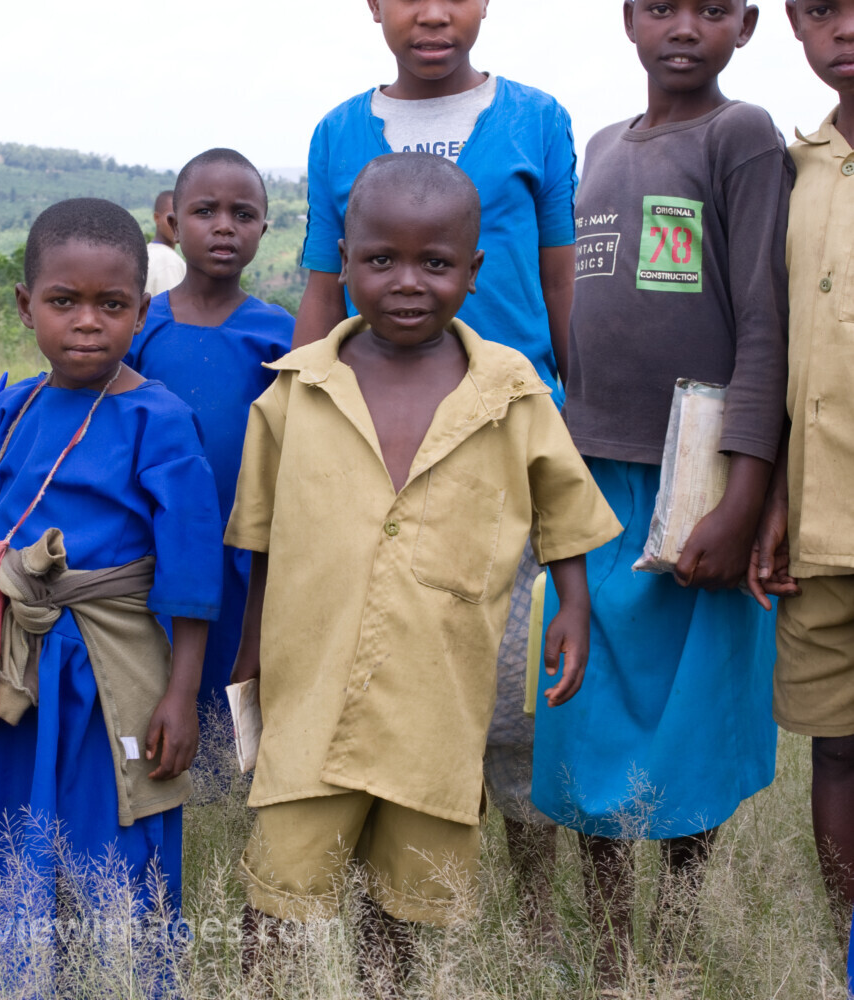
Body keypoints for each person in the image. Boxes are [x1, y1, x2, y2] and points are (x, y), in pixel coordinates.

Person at [228, 154, 619, 993]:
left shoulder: (512, 393)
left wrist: (574, 604)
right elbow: (260, 543)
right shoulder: (294, 394)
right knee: (283, 889)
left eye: (435, 264)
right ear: (343, 259)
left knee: (407, 906)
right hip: (312, 692)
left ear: (473, 273)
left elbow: (564, 508)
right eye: (381, 261)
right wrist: (249, 658)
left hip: (437, 704)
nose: (408, 283)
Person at [0, 198, 222, 993]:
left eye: (111, 306)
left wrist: (180, 694)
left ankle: (118, 976)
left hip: (111, 669)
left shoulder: (159, 421)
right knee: (9, 821)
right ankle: (15, 973)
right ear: (24, 306)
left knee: (111, 829)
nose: (86, 324)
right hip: (15, 674)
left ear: (141, 312)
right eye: (63, 302)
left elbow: (193, 572)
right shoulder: (8, 411)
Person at [531, 1, 791, 987]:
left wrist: (745, 493)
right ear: (628, 21)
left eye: (712, 9)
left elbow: (764, 324)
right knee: (585, 712)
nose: (685, 27)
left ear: (747, 25)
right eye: (661, 8)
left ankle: (677, 944)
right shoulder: (600, 145)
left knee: (693, 729)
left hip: (699, 480)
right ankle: (608, 950)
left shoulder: (744, 136)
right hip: (592, 476)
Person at [124, 149, 293, 721]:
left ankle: (225, 787)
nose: (225, 226)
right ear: (173, 225)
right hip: (152, 532)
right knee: (151, 661)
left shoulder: (277, 335)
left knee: (235, 671)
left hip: (241, 539)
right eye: (205, 211)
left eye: (243, 215)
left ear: (263, 231)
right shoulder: (143, 325)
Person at [752, 0, 854, 936]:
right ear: (793, 23)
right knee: (838, 747)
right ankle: (847, 942)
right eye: (825, 10)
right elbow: (787, 352)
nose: (846, 30)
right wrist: (779, 493)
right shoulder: (800, 170)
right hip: (825, 523)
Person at [144, 189, 187, 296]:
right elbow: (171, 311)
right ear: (157, 218)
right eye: (171, 218)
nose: (178, 224)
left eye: (183, 217)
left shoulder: (145, 252)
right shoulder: (168, 262)